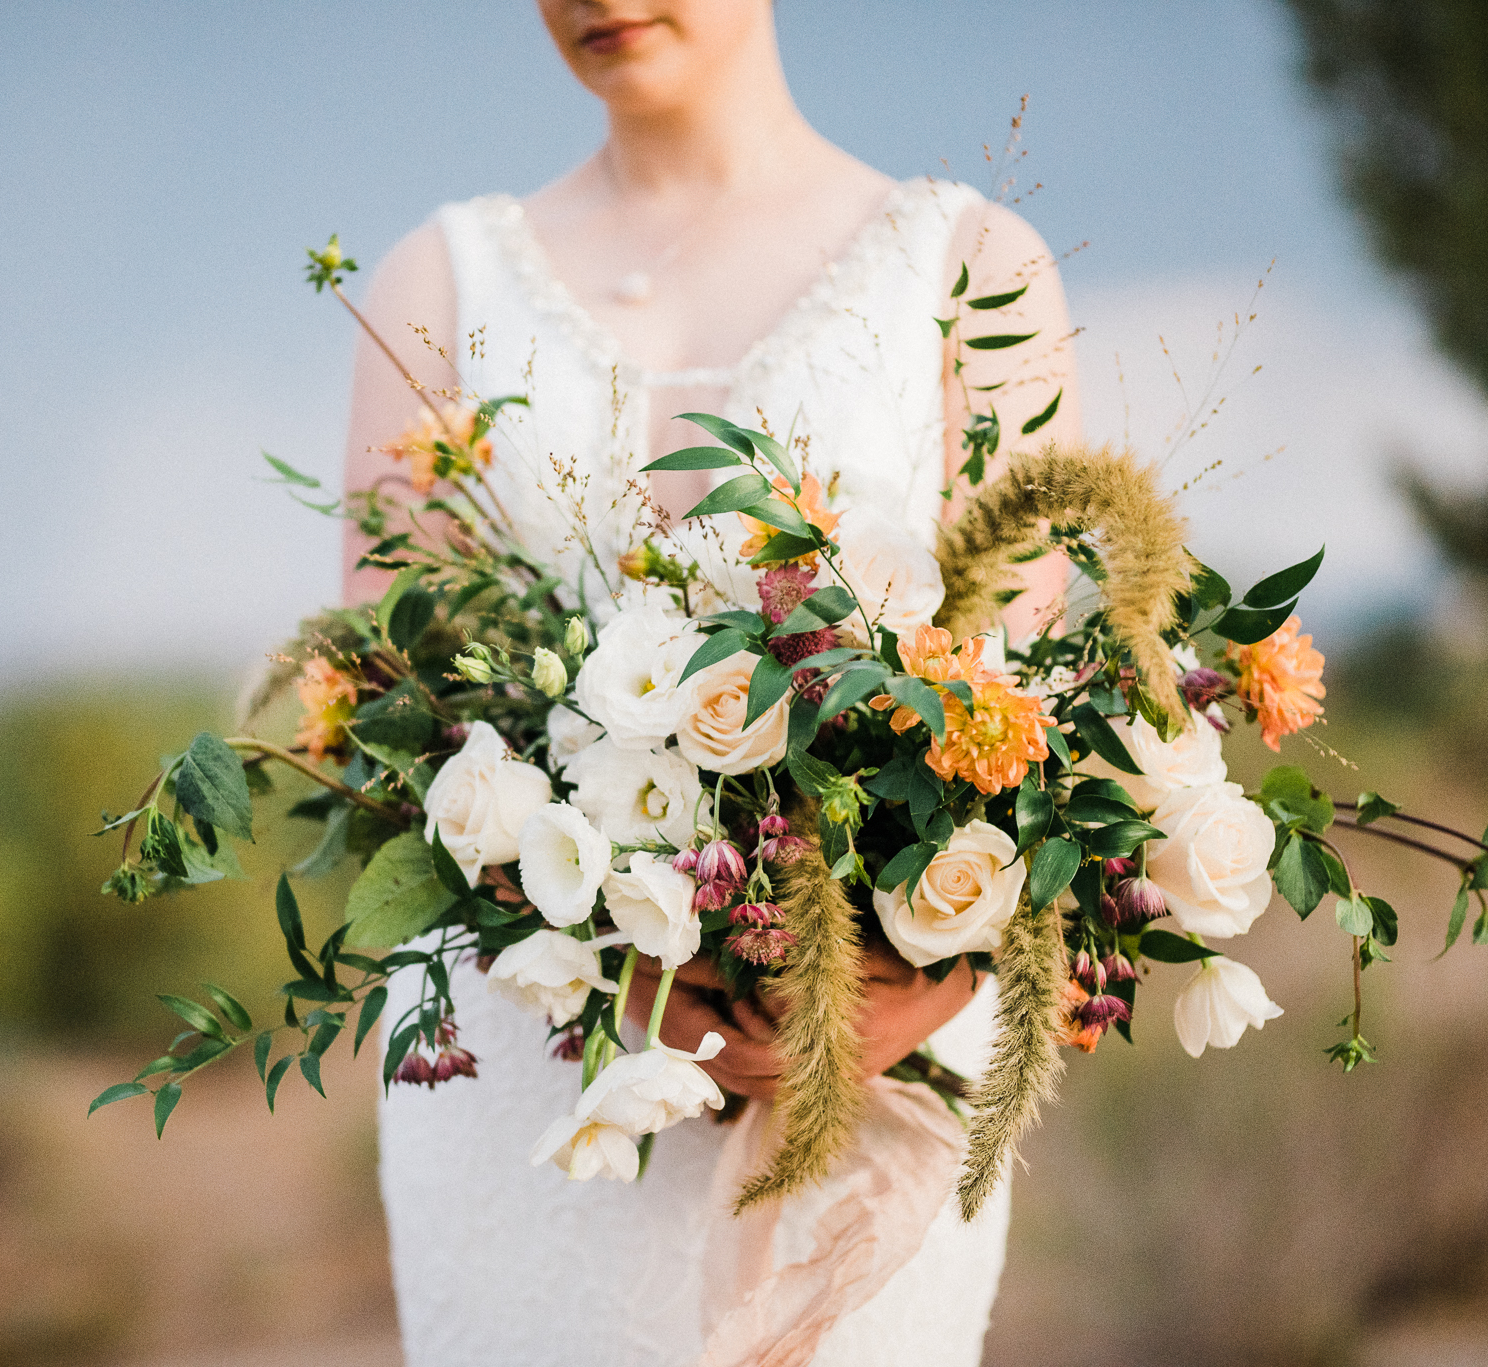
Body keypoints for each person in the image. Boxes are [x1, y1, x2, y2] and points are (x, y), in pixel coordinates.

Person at [342, 4, 1081, 1363]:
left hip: (876, 1056)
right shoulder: (433, 287)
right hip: (523, 1066)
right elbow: (398, 719)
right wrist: (612, 972)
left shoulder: (972, 268)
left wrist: (921, 979)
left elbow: (1024, 716)